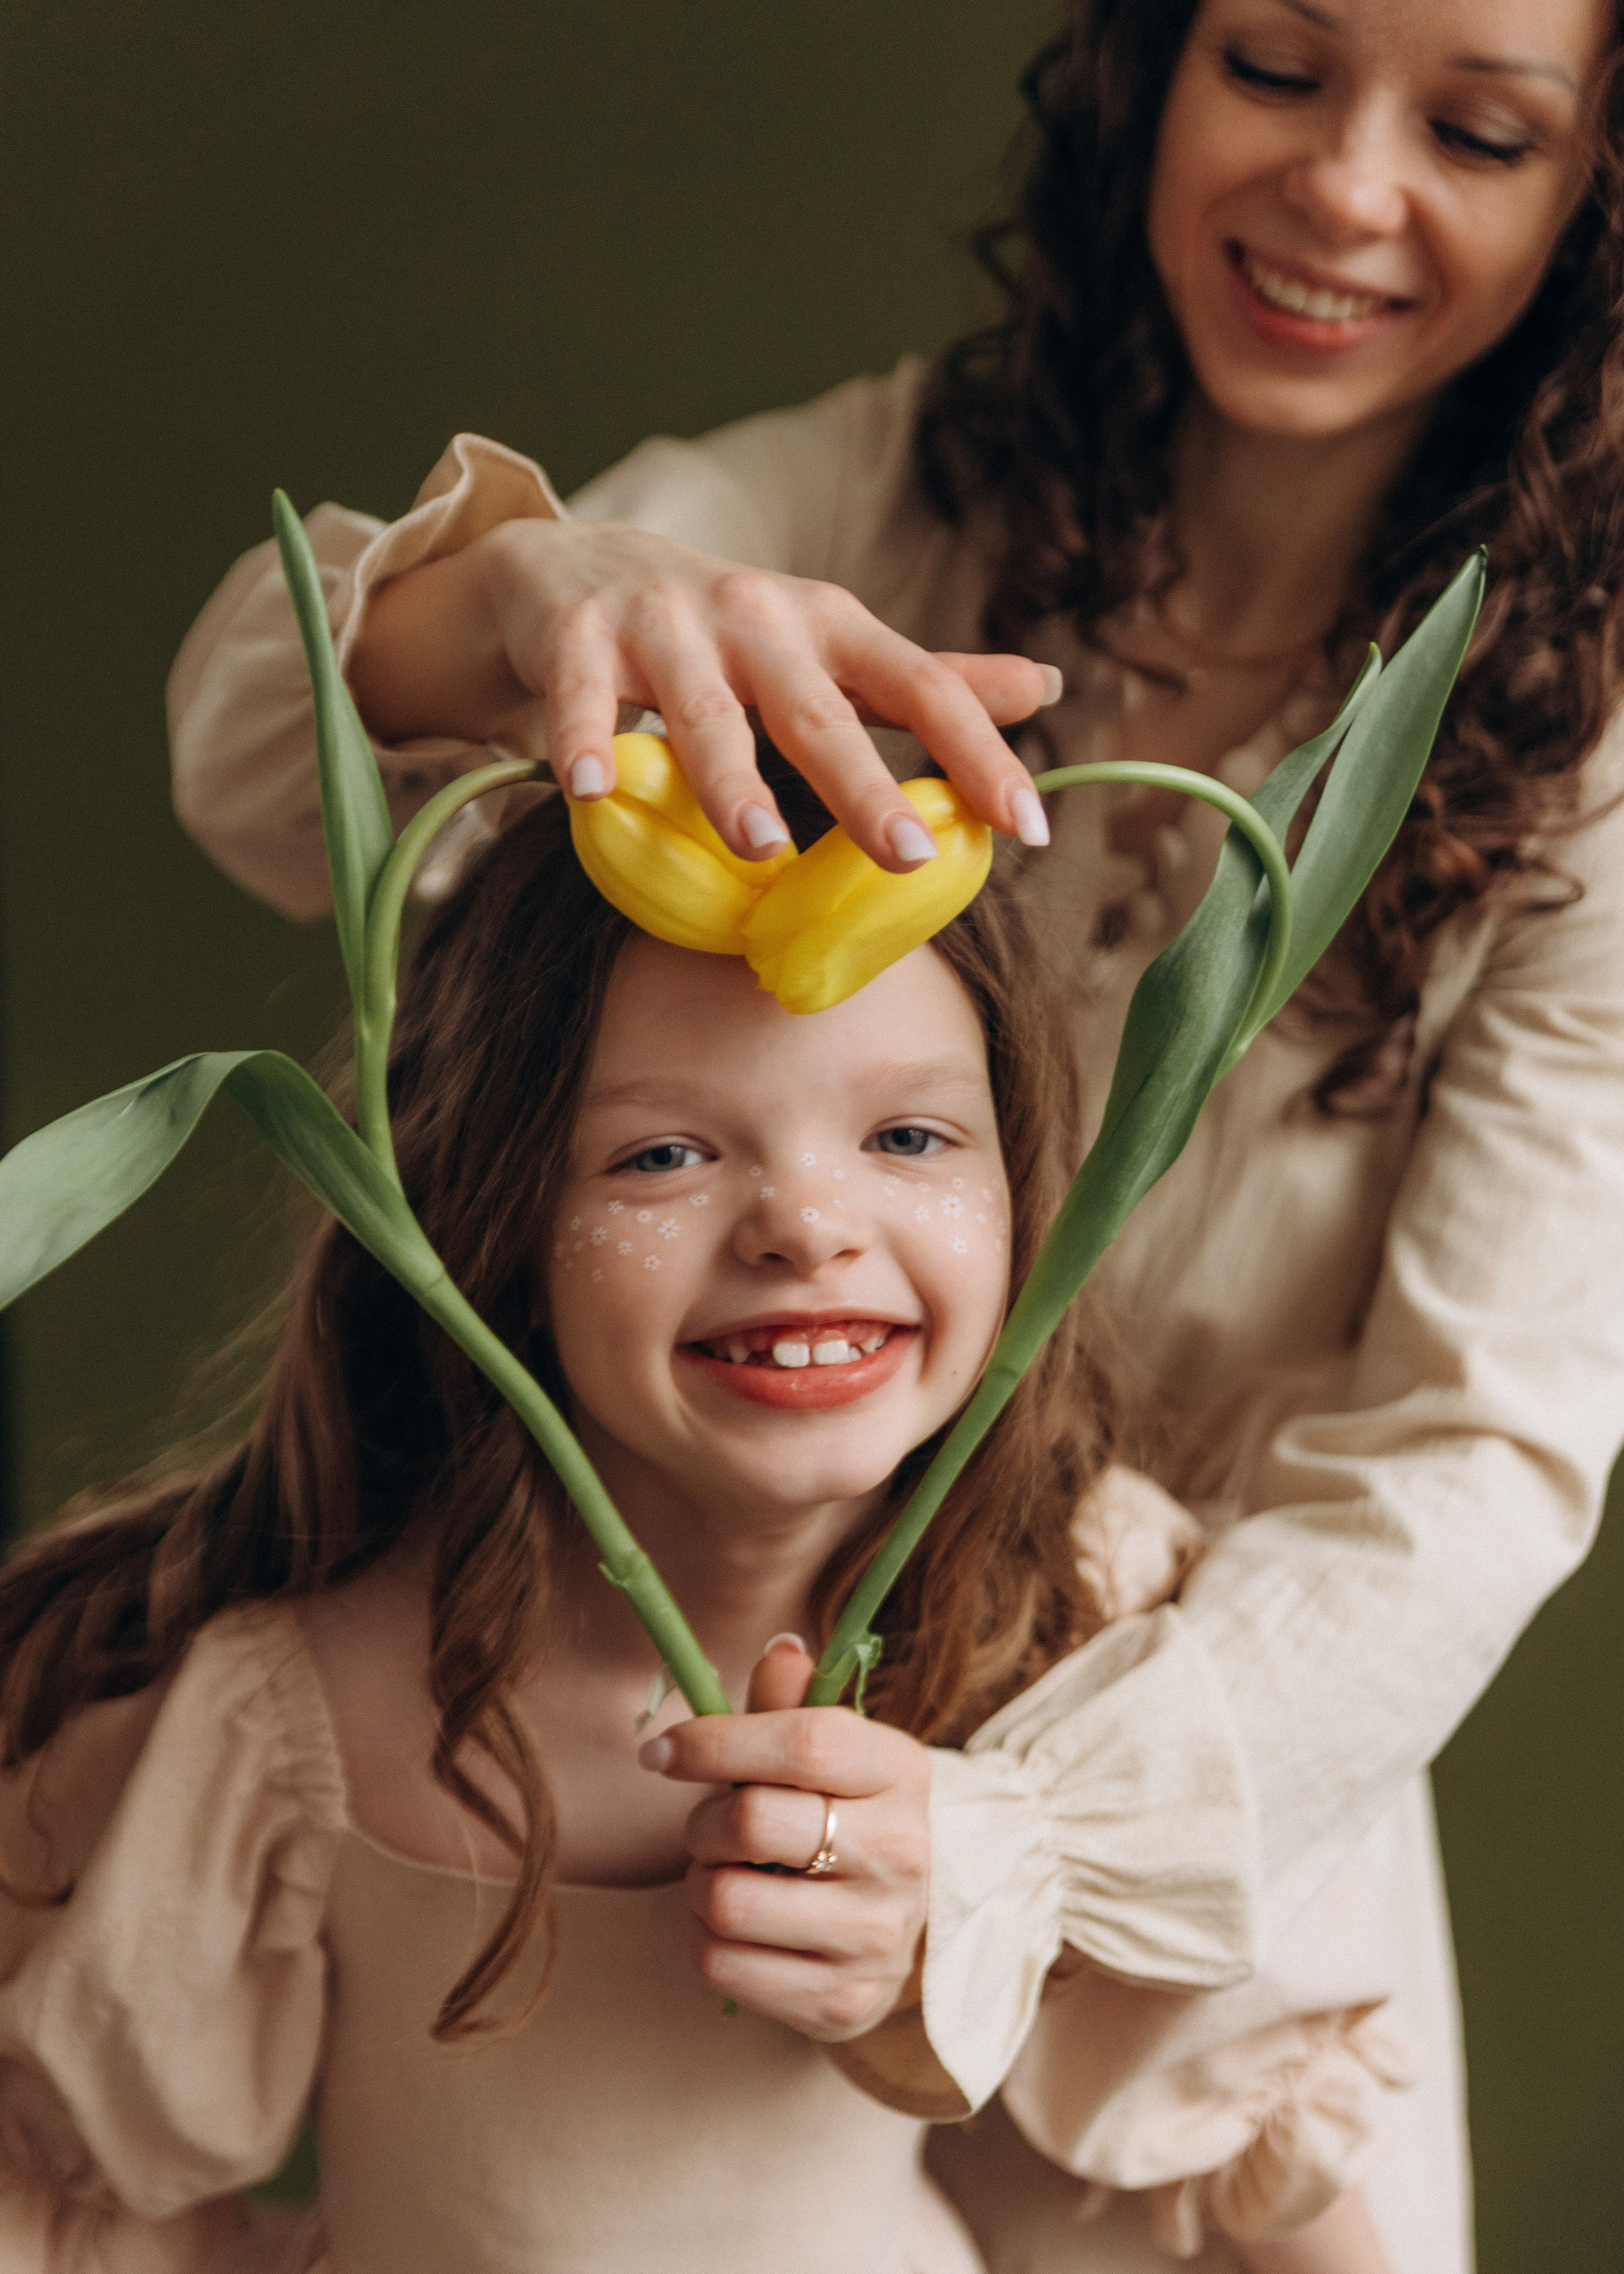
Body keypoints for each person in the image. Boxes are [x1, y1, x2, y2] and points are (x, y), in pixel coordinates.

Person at [158, 0, 1624, 2267]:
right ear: (1148, 70)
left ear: (1593, 191)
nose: (1344, 185)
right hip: (650, 1727)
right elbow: (267, 760)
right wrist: (544, 600)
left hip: (1197, 1841)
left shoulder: (1592, 764)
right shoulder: (903, 496)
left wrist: (1024, 1844)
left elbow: (1476, 1449)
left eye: (1479, 127)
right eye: (1276, 64)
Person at [1, 785, 1403, 2271]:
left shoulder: (1081, 1613)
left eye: (909, 1133)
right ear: (495, 1225)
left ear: (1023, 1186)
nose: (805, 1222)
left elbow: (1249, 2134)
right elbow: (83, 2190)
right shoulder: (299, 1704)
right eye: (660, 1155)